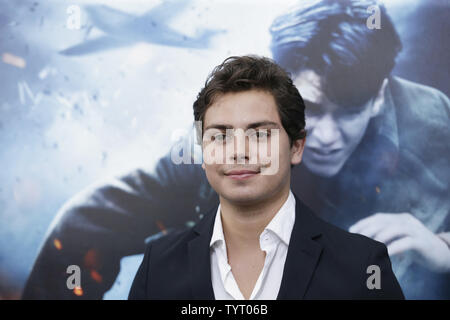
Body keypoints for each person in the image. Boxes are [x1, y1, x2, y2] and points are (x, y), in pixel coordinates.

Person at [23, 0, 449, 300]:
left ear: (379, 95)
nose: (327, 135)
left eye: (351, 110)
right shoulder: (223, 145)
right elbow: (88, 225)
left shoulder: (435, 125)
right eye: (311, 109)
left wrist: (444, 250)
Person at [128, 55, 403, 299]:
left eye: (259, 134)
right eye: (220, 136)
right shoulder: (159, 266)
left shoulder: (361, 265)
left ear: (296, 147)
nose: (238, 152)